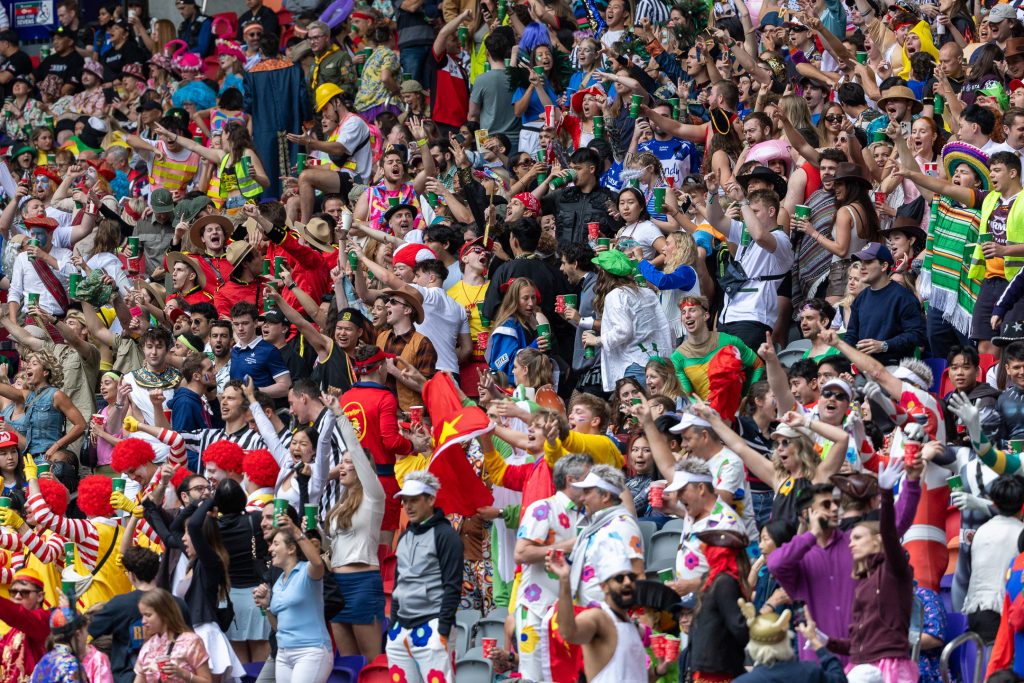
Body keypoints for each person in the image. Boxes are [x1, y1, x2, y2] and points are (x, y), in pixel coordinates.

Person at [386, 471, 464, 683]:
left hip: (432, 626)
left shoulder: (446, 536)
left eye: (414, 500)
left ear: (430, 499)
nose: (408, 507)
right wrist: (394, 624)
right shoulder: (405, 536)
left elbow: (452, 586)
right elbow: (398, 585)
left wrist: (443, 629)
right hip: (401, 628)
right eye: (405, 501)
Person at [546, 546, 650, 683]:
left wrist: (658, 671)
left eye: (631, 577)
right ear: (604, 587)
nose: (627, 582)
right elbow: (568, 632)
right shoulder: (598, 618)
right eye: (619, 578)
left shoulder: (634, 627)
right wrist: (564, 580)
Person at [253, 506, 333, 683]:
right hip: (283, 653)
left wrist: (296, 531)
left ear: (291, 549)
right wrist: (266, 607)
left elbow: (318, 562)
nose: (270, 549)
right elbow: (278, 628)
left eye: (276, 544)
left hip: (311, 651)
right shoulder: (279, 580)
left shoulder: (307, 572)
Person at [134, 588, 214, 683]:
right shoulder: (147, 647)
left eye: (148, 615)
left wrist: (183, 674)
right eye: (142, 615)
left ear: (164, 613)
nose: (143, 621)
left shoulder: (190, 641)